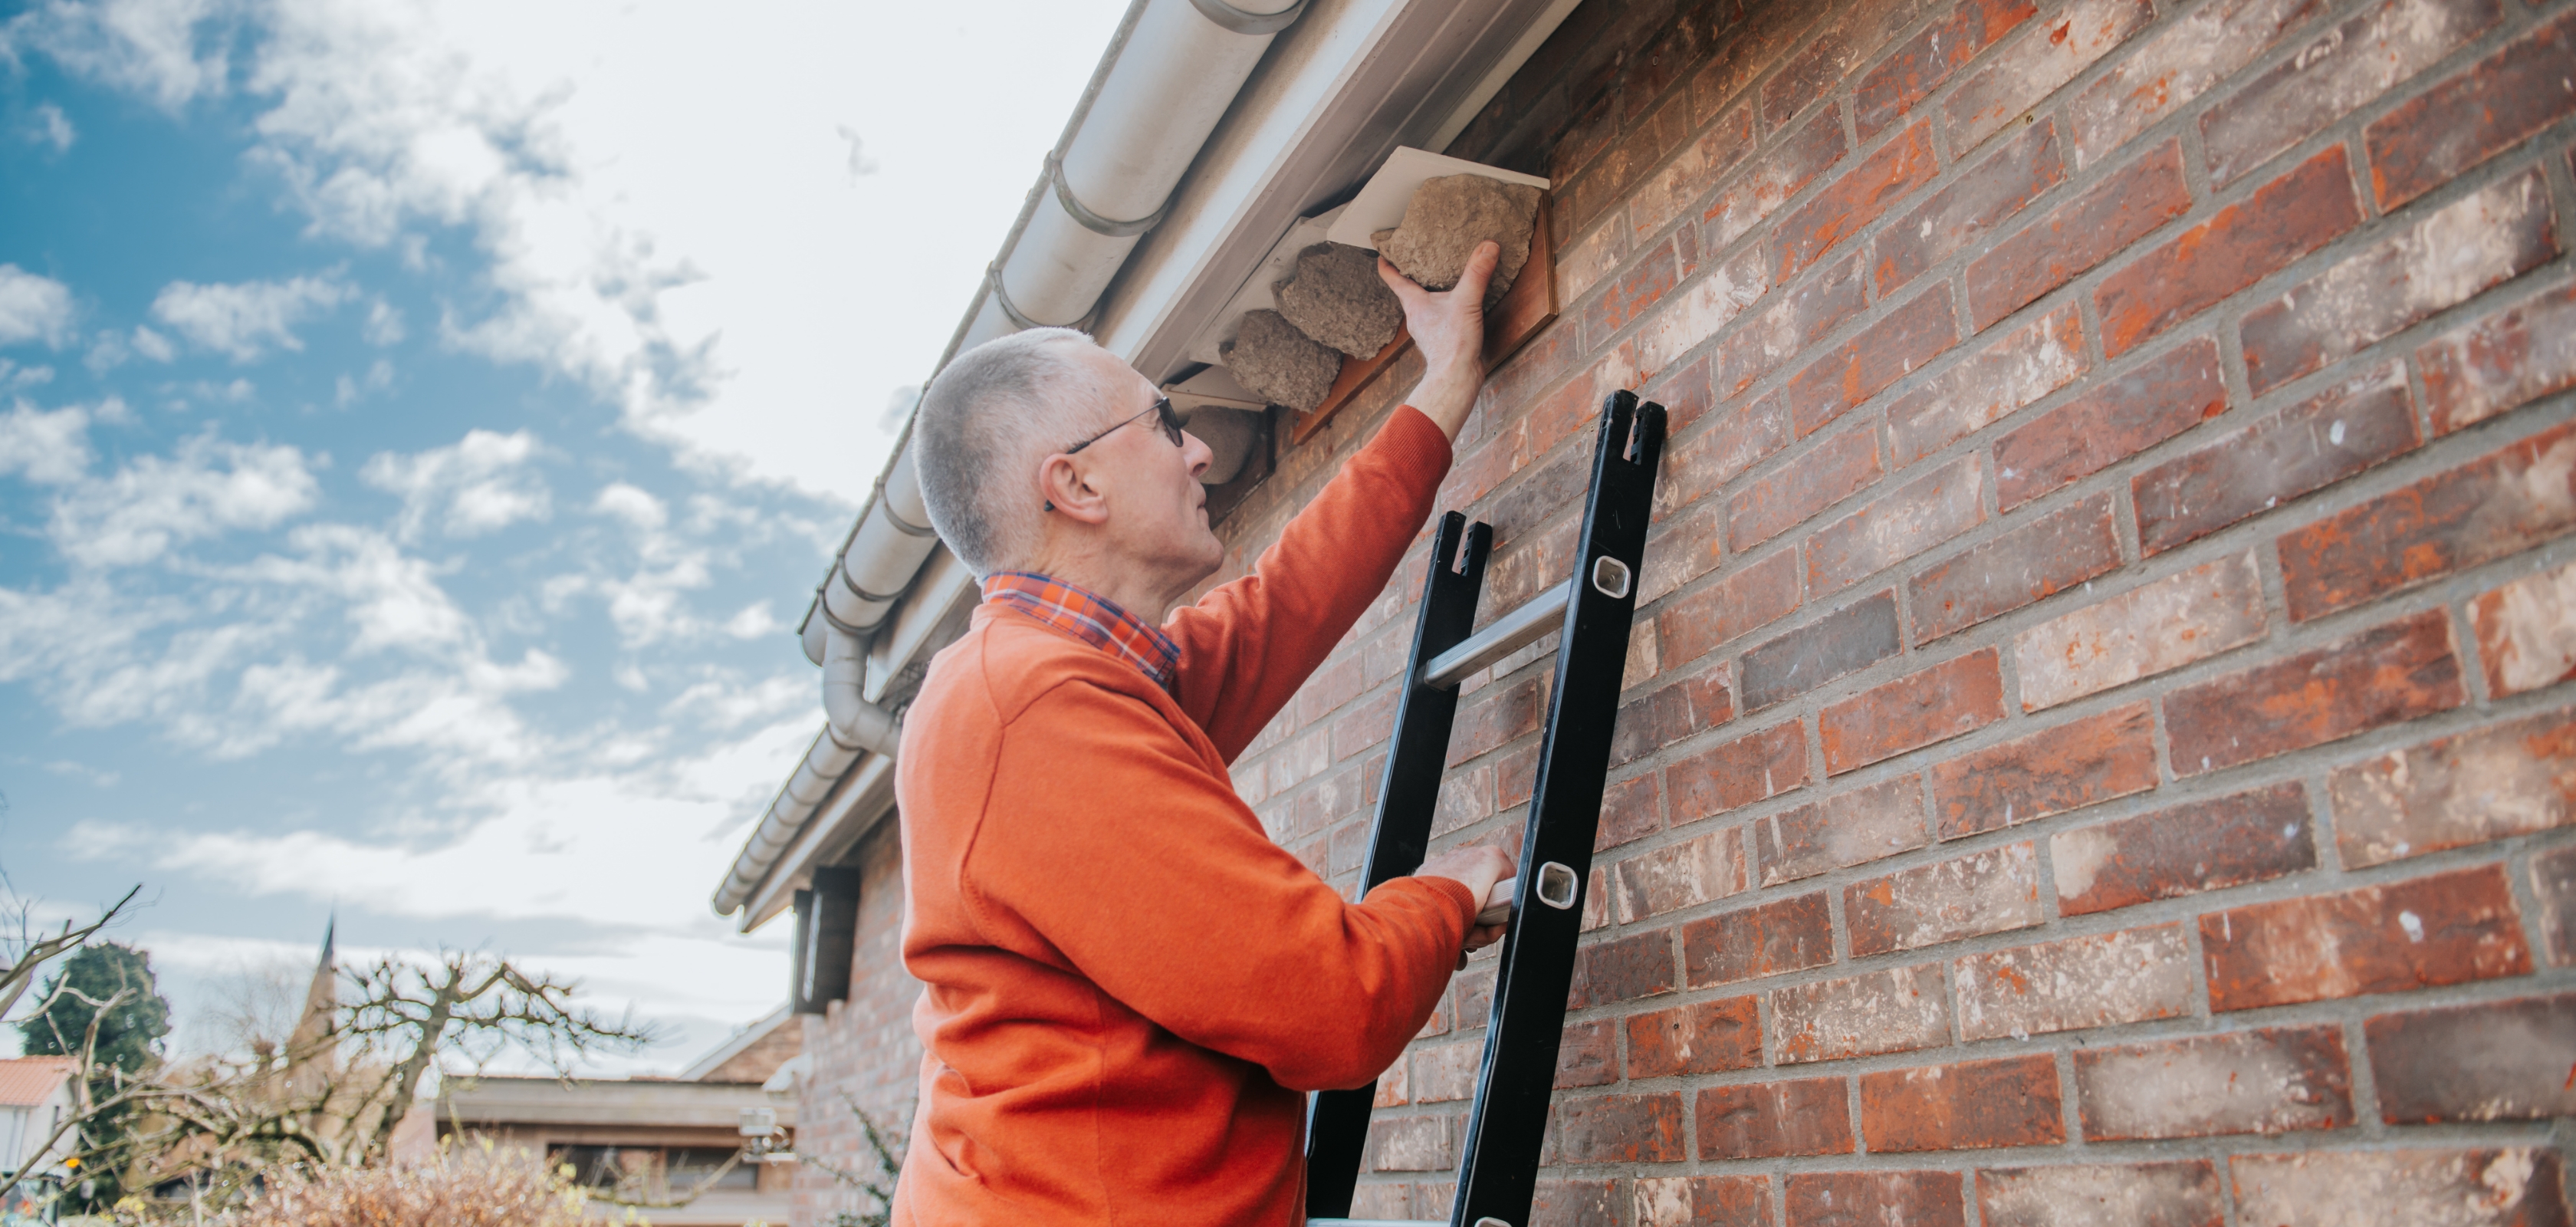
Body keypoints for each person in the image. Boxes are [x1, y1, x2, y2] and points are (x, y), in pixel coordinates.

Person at [894, 240, 1516, 1226]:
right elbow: (1332, 1003)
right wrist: (1446, 895)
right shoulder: (1035, 709)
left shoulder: (1073, 676)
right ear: (1077, 487)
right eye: (1164, 423)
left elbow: (1290, 599)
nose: (1200, 451)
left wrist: (1446, 383)